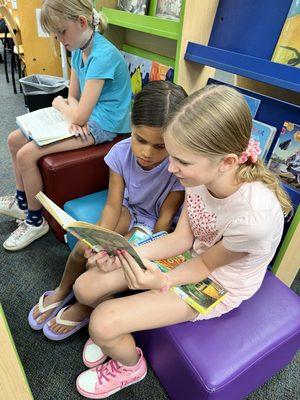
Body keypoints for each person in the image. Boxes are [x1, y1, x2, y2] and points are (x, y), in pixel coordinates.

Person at [72, 84, 292, 399]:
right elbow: (182, 238)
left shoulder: (254, 219)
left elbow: (203, 265)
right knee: (85, 287)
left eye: (181, 162)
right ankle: (118, 328)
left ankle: (130, 367)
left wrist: (158, 279)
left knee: (103, 323)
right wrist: (125, 251)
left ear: (227, 162)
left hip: (216, 284)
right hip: (190, 256)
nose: (171, 169)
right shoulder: (199, 176)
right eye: (171, 157)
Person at [28, 80, 187, 340]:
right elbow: (113, 205)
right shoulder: (120, 153)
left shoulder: (178, 168)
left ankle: (85, 305)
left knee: (113, 259)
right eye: (140, 139)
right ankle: (61, 290)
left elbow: (164, 221)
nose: (146, 153)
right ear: (131, 127)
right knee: (84, 247)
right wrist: (97, 237)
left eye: (160, 146)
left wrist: (141, 246)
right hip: (127, 207)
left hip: (153, 222)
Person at [0, 0, 132, 251]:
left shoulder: (102, 55)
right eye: (55, 34)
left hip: (105, 125)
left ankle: (35, 220)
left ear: (82, 22)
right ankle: (22, 201)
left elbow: (76, 109)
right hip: (89, 118)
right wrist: (69, 108)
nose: (59, 39)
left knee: (28, 154)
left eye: (62, 32)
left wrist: (63, 106)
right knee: (14, 139)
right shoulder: (79, 48)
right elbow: (73, 98)